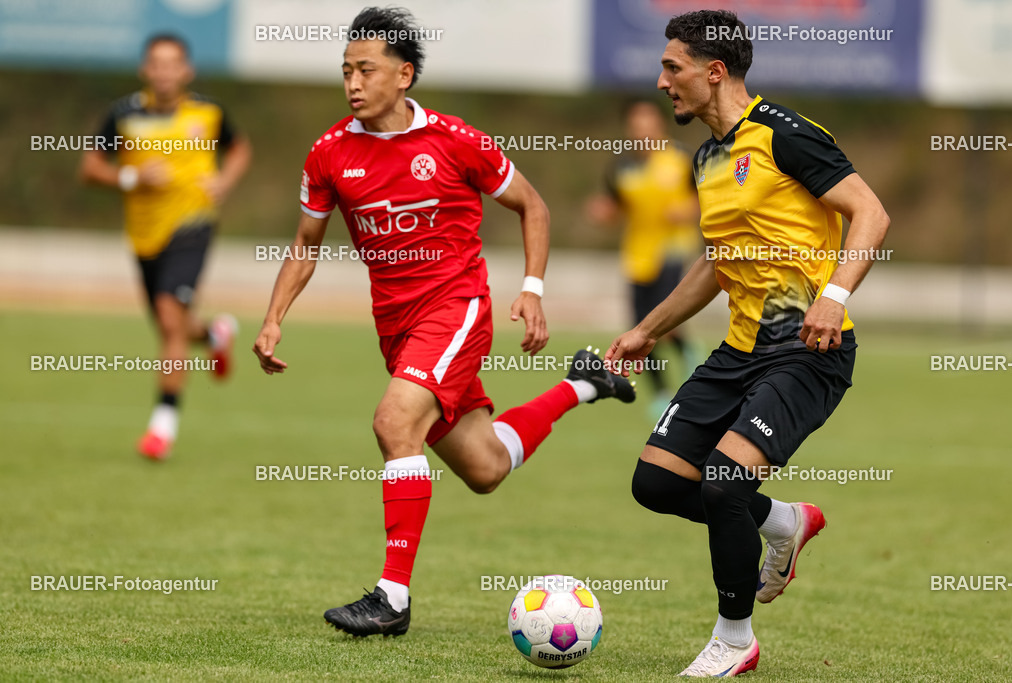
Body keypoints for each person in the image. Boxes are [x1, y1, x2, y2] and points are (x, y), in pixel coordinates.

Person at [252, 6, 634, 638]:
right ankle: (584, 384)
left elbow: (531, 205)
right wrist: (273, 318)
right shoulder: (328, 153)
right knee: (484, 467)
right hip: (396, 328)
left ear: (403, 75)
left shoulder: (455, 141)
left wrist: (532, 290)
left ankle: (392, 597)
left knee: (393, 421)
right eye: (345, 70)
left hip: (455, 310)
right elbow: (304, 243)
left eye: (365, 69)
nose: (352, 82)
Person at [605, 9, 889, 677]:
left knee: (724, 483)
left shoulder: (785, 135)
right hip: (737, 351)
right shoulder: (705, 158)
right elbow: (714, 262)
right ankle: (783, 521)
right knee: (656, 481)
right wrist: (649, 329)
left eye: (672, 68)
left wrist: (834, 296)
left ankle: (734, 638)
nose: (662, 80)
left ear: (713, 73)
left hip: (807, 351)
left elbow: (871, 211)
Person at [80, 33, 251, 461]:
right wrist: (132, 178)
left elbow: (240, 149)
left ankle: (162, 425)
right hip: (143, 235)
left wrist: (225, 182)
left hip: (193, 225)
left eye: (172, 63)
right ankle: (214, 333)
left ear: (186, 71)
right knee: (171, 325)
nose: (164, 71)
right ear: (145, 69)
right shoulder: (123, 114)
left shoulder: (209, 112)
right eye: (156, 63)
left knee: (171, 318)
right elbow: (90, 168)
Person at [586, 99, 703, 417]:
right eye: (636, 127)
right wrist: (603, 213)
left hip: (674, 247)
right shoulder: (621, 167)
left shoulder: (681, 159)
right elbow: (615, 206)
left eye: (647, 124)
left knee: (660, 316)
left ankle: (687, 351)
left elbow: (705, 201)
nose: (642, 132)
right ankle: (662, 393)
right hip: (638, 253)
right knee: (639, 326)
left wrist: (688, 211)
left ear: (660, 125)